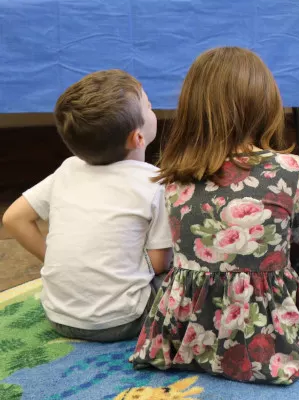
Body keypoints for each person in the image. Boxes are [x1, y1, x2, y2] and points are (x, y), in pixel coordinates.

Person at [129, 47, 299, 385]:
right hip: (264, 321)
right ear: (264, 101)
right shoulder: (292, 169)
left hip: (188, 323)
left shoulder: (174, 175)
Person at [2, 70, 172, 342]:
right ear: (138, 138)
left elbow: (14, 218)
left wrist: (58, 259)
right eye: (149, 106)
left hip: (58, 316)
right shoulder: (154, 183)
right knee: (183, 273)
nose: (153, 109)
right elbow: (159, 262)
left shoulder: (67, 169)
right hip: (124, 321)